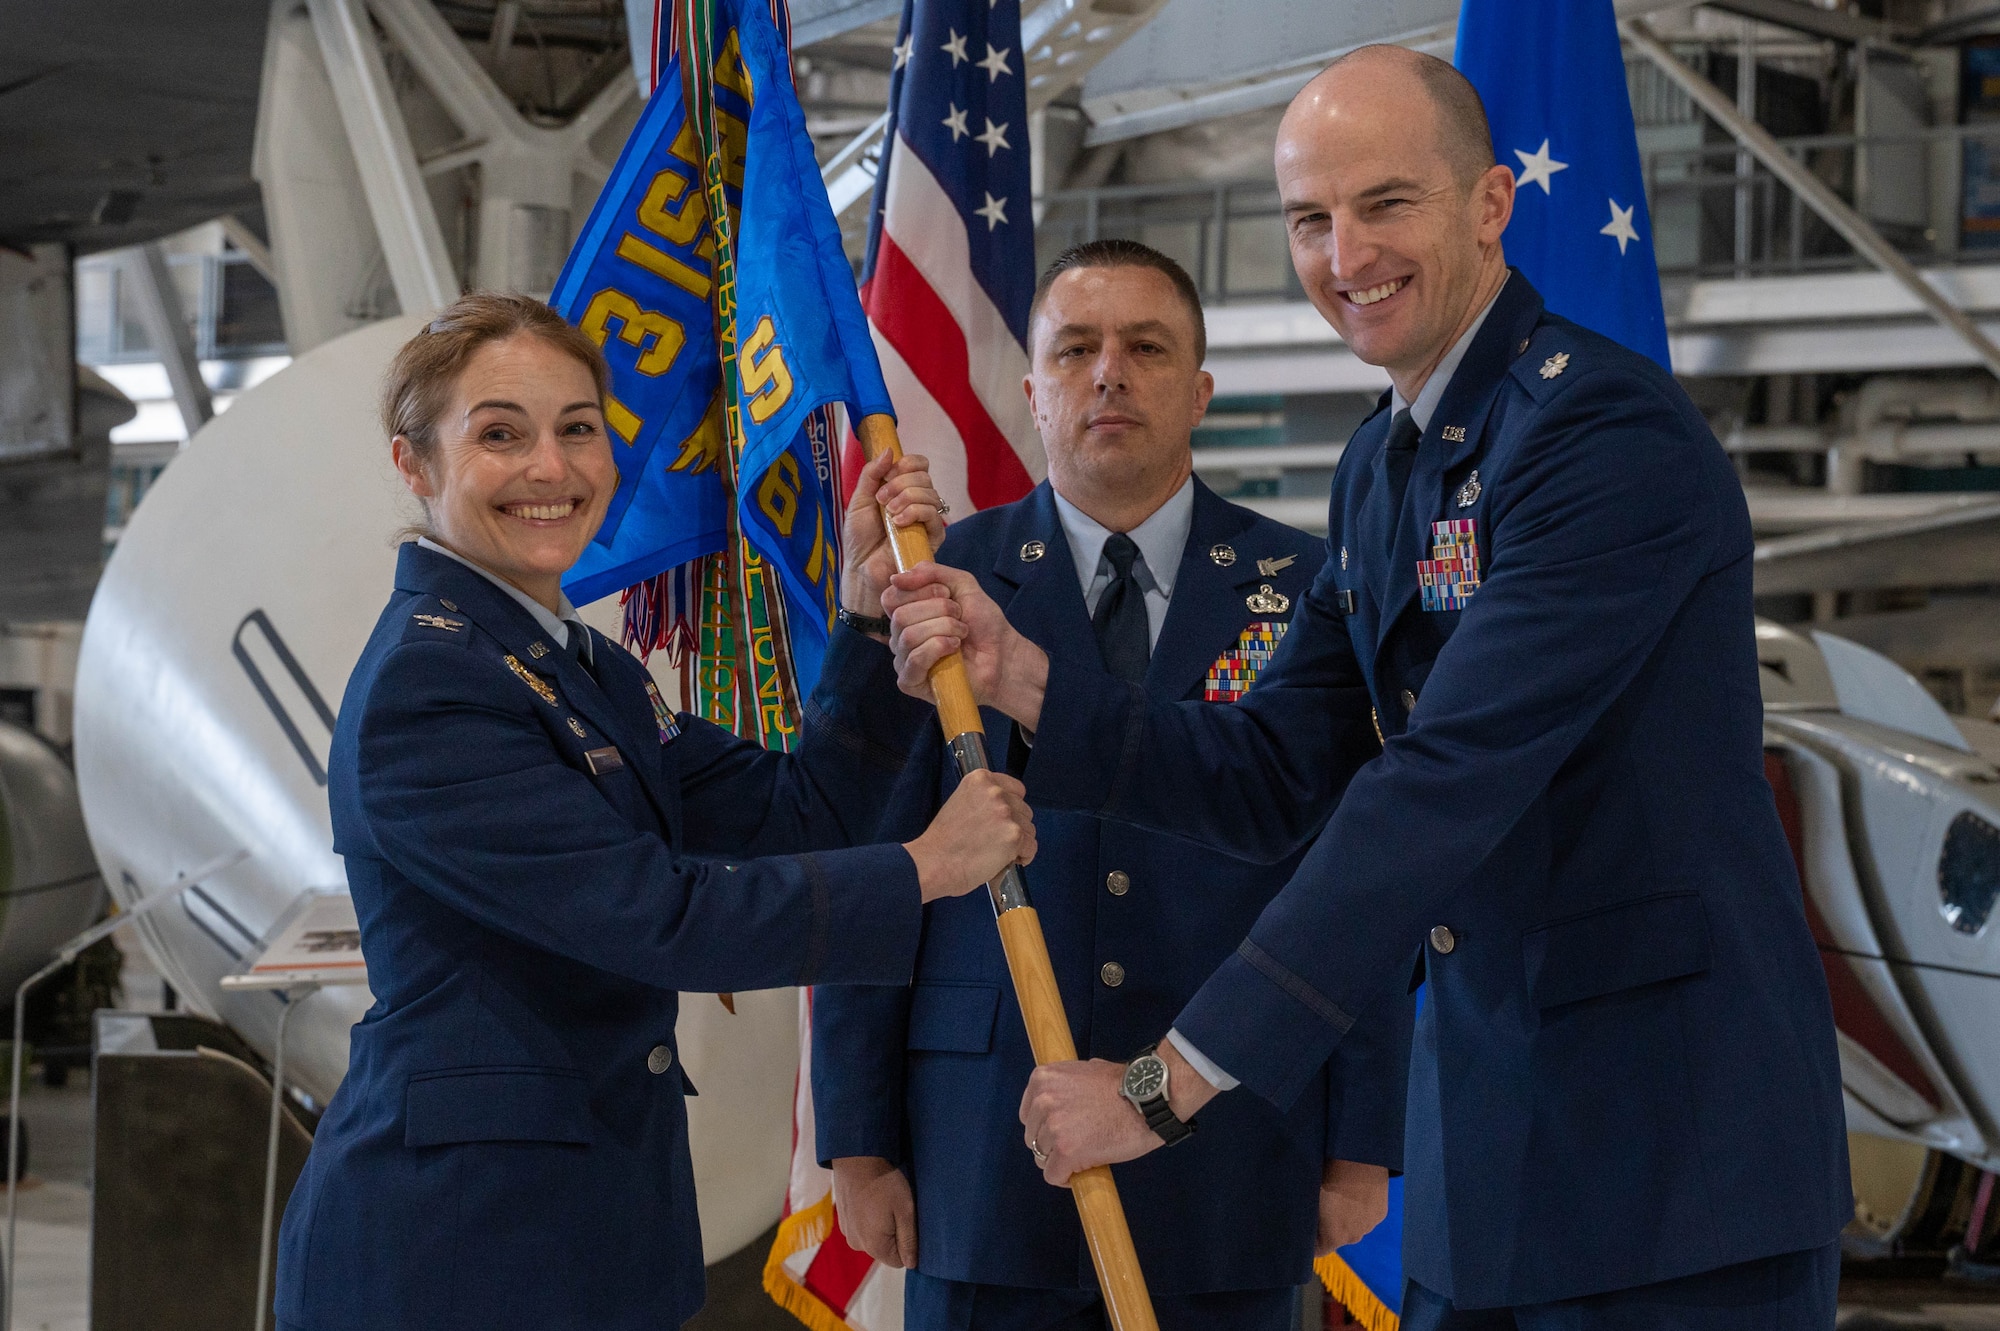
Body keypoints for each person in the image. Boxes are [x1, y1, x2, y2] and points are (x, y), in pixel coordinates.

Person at [882, 47, 1849, 1331]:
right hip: (1489, 1161)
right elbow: (1282, 767)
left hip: (1671, 1166)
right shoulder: (1383, 467)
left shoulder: (1600, 437)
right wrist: (1030, 680)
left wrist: (1165, 1082)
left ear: (1490, 203)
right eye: (1307, 217)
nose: (1344, 253)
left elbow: (1440, 783)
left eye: (1384, 203)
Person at [273, 292, 1037, 1331]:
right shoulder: (432, 685)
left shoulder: (575, 667)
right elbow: (658, 918)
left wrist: (864, 614)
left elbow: (796, 813)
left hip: (587, 1226)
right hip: (455, 1246)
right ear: (415, 464)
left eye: (576, 428)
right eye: (499, 433)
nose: (551, 466)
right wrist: (925, 867)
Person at [811, 241, 1413, 1331]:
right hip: (981, 1145)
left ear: (1197, 391)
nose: (1108, 373)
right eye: (1076, 349)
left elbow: (1359, 870)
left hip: (1231, 1145)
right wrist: (857, 1135)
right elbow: (869, 861)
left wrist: (1360, 1132)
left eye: (1145, 347)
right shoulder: (939, 584)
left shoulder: (1308, 591)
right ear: (1032, 390)